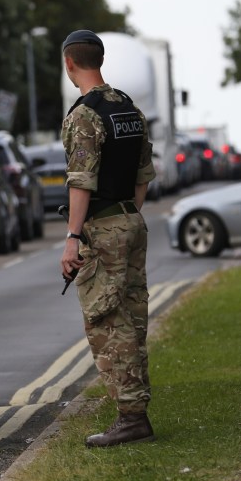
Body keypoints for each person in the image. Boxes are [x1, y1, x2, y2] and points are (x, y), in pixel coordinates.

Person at [58, 29, 157, 448]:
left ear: (69, 64)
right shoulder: (128, 108)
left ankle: (131, 416)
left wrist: (72, 237)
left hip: (103, 228)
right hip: (131, 221)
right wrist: (127, 215)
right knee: (133, 319)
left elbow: (81, 182)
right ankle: (136, 411)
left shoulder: (84, 115)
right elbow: (143, 175)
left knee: (106, 321)